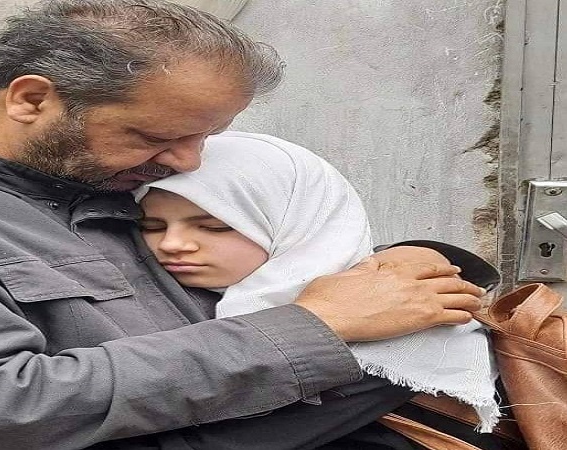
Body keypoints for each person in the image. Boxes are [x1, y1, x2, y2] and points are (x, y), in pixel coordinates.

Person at [0, 1, 486, 449]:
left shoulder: (127, 176)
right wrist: (318, 329)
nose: (187, 161)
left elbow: (285, 257)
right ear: (31, 100)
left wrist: (415, 262)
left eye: (206, 136)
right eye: (155, 136)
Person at [135, 131, 499, 432]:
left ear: (295, 224)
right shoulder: (162, 298)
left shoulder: (406, 314)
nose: (172, 244)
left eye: (214, 226)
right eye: (151, 226)